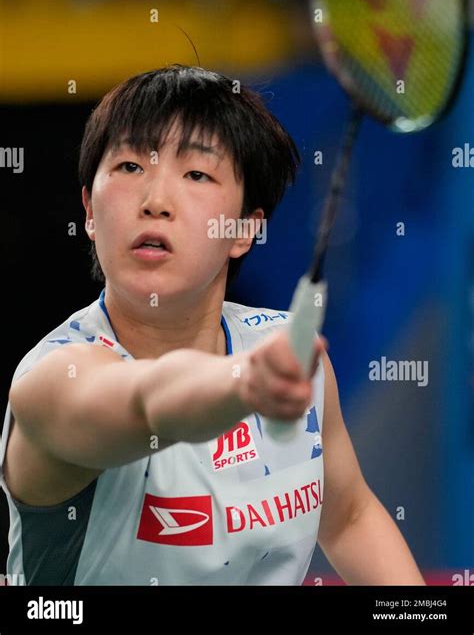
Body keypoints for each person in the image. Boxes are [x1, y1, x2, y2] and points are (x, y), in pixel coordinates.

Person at [0, 65, 425, 585]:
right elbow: (146, 404)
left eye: (197, 174)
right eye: (130, 166)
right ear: (89, 209)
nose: (154, 200)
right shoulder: (54, 379)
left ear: (246, 228)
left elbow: (350, 516)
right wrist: (244, 384)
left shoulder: (285, 350)